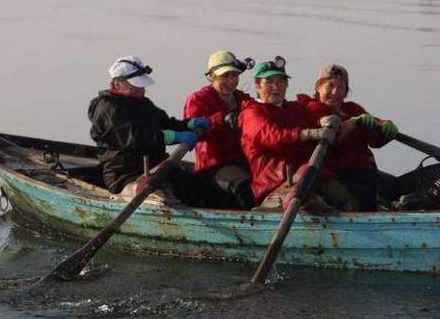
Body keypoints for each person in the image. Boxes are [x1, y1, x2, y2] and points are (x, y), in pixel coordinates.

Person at [238, 56, 359, 213]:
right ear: (257, 86)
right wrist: (309, 134)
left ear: (287, 85)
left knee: (347, 201)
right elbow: (274, 137)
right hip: (274, 186)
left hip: (309, 177)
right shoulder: (252, 113)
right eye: (269, 82)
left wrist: (324, 121)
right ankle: (298, 204)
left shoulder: (296, 108)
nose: (276, 87)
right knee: (310, 197)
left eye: (281, 81)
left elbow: (314, 118)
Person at [88, 55, 212, 205]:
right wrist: (172, 137)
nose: (142, 89)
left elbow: (166, 122)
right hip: (125, 176)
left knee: (203, 191)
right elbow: (136, 140)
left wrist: (188, 125)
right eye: (136, 86)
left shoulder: (142, 103)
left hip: (157, 169)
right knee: (163, 201)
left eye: (142, 85)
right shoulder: (109, 108)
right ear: (117, 84)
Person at [296, 64, 398, 211]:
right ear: (319, 87)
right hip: (338, 175)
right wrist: (353, 123)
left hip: (364, 173)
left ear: (346, 92)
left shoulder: (352, 109)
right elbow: (334, 139)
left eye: (341, 88)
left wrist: (385, 127)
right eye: (330, 86)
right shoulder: (313, 109)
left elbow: (375, 139)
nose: (335, 92)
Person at [182, 51, 256, 209]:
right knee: (245, 185)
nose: (231, 81)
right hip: (214, 166)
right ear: (211, 77)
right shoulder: (198, 99)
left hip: (244, 160)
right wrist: (222, 119)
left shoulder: (243, 99)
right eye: (225, 76)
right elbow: (191, 127)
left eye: (234, 75)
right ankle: (255, 223)